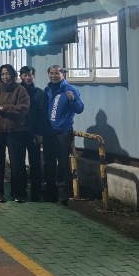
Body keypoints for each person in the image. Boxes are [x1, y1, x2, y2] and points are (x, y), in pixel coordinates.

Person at [0, 64, 30, 203]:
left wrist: (4, 108)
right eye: (2, 74)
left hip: (15, 132)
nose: (5, 76)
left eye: (7, 74)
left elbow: (23, 109)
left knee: (17, 164)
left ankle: (19, 193)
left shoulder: (20, 90)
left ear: (13, 75)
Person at [43, 65, 84, 206]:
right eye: (51, 73)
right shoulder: (47, 89)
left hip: (63, 133)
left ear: (63, 75)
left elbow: (80, 109)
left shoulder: (70, 89)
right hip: (49, 133)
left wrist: (73, 100)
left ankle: (63, 193)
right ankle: (50, 191)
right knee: (49, 163)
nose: (54, 76)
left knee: (63, 164)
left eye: (57, 73)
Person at [19, 66, 49, 202]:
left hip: (34, 134)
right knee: (18, 163)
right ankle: (20, 192)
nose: (27, 77)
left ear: (34, 76)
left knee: (35, 164)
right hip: (19, 133)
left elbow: (43, 116)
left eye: (30, 75)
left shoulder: (40, 94)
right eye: (25, 75)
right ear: (21, 76)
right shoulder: (16, 92)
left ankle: (35, 193)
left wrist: (39, 133)